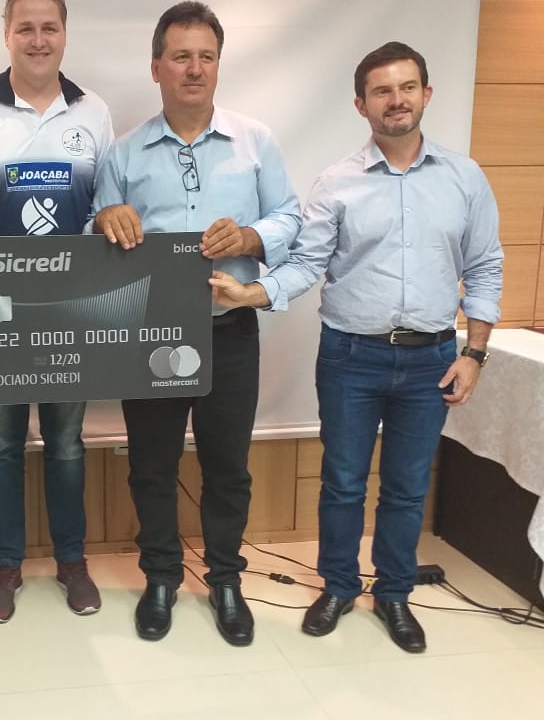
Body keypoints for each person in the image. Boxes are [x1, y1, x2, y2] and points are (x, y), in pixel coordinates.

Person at [209, 41, 503, 653]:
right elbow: (306, 263)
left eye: (407, 87)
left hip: (431, 360)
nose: (396, 100)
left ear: (426, 94)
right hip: (351, 358)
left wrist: (474, 353)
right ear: (360, 104)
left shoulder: (464, 178)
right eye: (382, 90)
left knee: (407, 486)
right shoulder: (337, 182)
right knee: (342, 482)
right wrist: (250, 294)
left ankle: (394, 593)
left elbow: (484, 267)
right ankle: (339, 587)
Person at [91, 1, 301, 645]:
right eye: (181, 56)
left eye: (206, 57)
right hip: (150, 335)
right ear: (156, 66)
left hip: (229, 331)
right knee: (151, 465)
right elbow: (93, 240)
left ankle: (226, 580)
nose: (194, 69)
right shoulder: (124, 154)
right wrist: (104, 220)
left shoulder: (255, 142)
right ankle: (160, 577)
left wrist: (251, 236)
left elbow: (292, 219)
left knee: (227, 465)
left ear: (218, 65)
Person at [0, 0, 114, 623]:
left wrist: (112, 219)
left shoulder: (93, 113)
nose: (38, 40)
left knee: (67, 443)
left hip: (70, 311)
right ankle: (6, 565)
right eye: (25, 28)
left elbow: (104, 209)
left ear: (64, 34)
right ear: (6, 33)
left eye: (49, 28)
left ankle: (72, 561)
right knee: (1, 443)